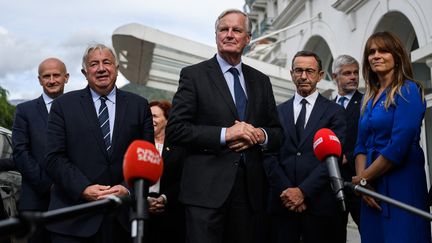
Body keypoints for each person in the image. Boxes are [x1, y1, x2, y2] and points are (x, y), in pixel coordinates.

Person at [165, 9, 283, 243]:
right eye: (223, 30)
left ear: (248, 38)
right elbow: (176, 129)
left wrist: (260, 134)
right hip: (204, 195)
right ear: (216, 35)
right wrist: (225, 134)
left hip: (249, 196)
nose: (229, 35)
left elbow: (277, 134)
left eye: (236, 30)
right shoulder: (193, 75)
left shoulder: (261, 81)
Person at [45, 43, 154, 243]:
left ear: (117, 68)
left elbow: (147, 158)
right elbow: (54, 157)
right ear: (84, 72)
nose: (101, 68)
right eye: (94, 64)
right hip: (73, 219)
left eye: (107, 62)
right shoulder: (63, 106)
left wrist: (127, 189)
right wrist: (83, 189)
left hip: (122, 220)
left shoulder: (139, 105)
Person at [352, 31, 431, 243]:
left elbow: (399, 145)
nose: (376, 55)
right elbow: (360, 145)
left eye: (383, 50)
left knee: (404, 236)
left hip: (401, 182)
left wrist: (364, 178)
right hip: (371, 188)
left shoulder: (409, 90)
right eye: (371, 52)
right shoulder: (368, 98)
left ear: (397, 56)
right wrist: (363, 183)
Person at [264, 51, 346, 243]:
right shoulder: (276, 112)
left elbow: (334, 157)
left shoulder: (334, 112)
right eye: (299, 71)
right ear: (291, 74)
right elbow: (269, 155)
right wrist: (288, 191)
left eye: (310, 71)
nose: (303, 76)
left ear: (320, 75)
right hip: (283, 207)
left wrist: (303, 192)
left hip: (320, 206)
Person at [12, 57, 69, 243]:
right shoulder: (24, 111)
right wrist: (49, 186)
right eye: (46, 76)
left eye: (56, 75)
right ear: (39, 80)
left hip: (73, 200)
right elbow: (21, 153)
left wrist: (72, 185)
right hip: (36, 201)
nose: (51, 80)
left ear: (66, 77)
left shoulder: (79, 109)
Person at [331, 54, 362, 237]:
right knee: (334, 234)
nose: (353, 77)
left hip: (359, 179)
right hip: (334, 183)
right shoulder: (328, 106)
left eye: (356, 72)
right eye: (347, 73)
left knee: (368, 231)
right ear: (335, 77)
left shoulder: (366, 103)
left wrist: (348, 156)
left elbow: (370, 140)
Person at [147, 100, 185, 243]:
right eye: (148, 116)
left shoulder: (179, 148)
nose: (151, 120)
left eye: (155, 116)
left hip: (168, 212)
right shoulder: (138, 143)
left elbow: (183, 178)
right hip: (138, 208)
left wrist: (164, 198)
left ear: (167, 120)